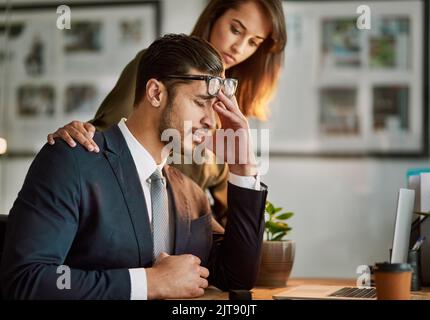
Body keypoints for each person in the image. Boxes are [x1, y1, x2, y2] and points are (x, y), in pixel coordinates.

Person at [0, 34, 268, 300]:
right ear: (155, 93)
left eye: (215, 107)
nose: (212, 121)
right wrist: (149, 283)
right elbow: (27, 281)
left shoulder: (193, 194)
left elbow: (236, 277)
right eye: (200, 103)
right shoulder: (71, 161)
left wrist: (244, 168)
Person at [46, 0, 286, 226]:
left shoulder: (229, 104)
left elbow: (229, 201)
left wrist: (220, 227)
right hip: (130, 223)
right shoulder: (161, 71)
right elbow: (105, 135)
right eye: (235, 30)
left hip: (188, 237)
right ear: (214, 16)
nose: (239, 47)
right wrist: (78, 136)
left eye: (254, 42)